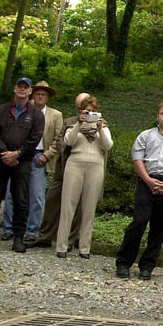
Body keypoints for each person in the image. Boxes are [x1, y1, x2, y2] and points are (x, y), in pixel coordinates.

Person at [115, 101, 163, 280]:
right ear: (157, 116)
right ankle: (124, 262)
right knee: (139, 222)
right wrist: (148, 180)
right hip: (147, 182)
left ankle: (147, 266)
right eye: (162, 113)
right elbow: (137, 158)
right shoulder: (145, 136)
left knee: (160, 226)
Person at [0, 77, 45, 253]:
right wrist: (5, 153)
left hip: (23, 161)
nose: (22, 90)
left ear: (30, 91)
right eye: (20, 87)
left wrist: (18, 154)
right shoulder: (0, 111)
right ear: (15, 89)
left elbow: (35, 138)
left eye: (26, 87)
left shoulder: (36, 114)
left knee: (21, 200)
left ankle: (18, 238)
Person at [2, 80, 59, 245]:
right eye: (38, 94)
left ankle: (33, 231)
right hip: (20, 154)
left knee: (37, 196)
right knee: (12, 193)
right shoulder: (24, 110)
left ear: (48, 97)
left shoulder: (55, 115)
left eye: (43, 94)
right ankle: (8, 228)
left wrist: (47, 155)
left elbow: (58, 138)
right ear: (32, 94)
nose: (40, 97)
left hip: (40, 157)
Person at [57, 95, 112, 259]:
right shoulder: (73, 125)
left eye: (93, 112)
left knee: (89, 208)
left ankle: (84, 247)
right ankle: (61, 245)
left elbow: (108, 145)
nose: (89, 114)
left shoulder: (104, 126)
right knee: (68, 205)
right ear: (81, 112)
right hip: (75, 163)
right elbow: (69, 141)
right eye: (86, 111)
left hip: (95, 166)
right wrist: (79, 124)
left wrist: (100, 128)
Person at [33, 91, 88, 248]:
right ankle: (45, 236)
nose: (81, 111)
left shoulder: (99, 123)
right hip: (63, 167)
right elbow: (60, 140)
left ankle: (70, 239)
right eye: (79, 108)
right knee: (52, 199)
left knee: (79, 205)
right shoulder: (70, 121)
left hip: (84, 168)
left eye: (84, 107)